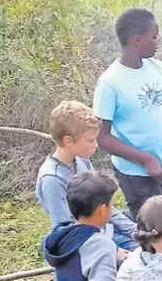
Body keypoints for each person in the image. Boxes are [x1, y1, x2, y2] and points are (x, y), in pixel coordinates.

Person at [93, 8, 162, 219]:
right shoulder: (110, 83)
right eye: (154, 37)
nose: (157, 41)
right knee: (151, 227)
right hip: (136, 174)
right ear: (137, 40)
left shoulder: (157, 68)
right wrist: (145, 159)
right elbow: (102, 137)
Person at [36, 101, 137, 250]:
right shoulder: (53, 179)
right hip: (84, 240)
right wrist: (114, 251)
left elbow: (104, 204)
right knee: (136, 252)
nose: (96, 144)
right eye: (90, 140)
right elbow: (65, 231)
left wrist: (133, 230)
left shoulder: (82, 161)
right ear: (68, 141)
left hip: (102, 227)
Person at [42, 172, 128, 281]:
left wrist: (115, 251)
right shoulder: (101, 246)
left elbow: (84, 256)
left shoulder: (62, 233)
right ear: (102, 210)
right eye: (111, 204)